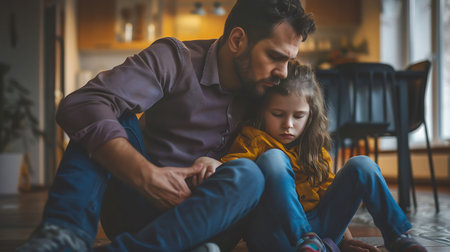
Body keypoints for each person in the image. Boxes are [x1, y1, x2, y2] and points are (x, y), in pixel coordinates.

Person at [16, 0, 317, 251]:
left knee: (250, 174)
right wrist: (147, 176)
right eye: (276, 57)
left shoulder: (267, 90)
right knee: (106, 115)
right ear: (238, 41)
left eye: (290, 61)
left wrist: (327, 222)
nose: (283, 72)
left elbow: (295, 165)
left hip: (215, 219)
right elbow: (80, 104)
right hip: (137, 204)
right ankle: (62, 235)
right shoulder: (175, 59)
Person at [220, 60, 427, 252]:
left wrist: (345, 240)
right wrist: (213, 165)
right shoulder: (251, 138)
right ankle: (311, 240)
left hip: (317, 232)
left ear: (310, 115)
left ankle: (398, 236)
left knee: (362, 164)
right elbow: (235, 177)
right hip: (274, 232)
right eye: (277, 114)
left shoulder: (314, 148)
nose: (288, 124)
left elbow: (329, 195)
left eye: (298, 116)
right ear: (262, 111)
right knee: (273, 158)